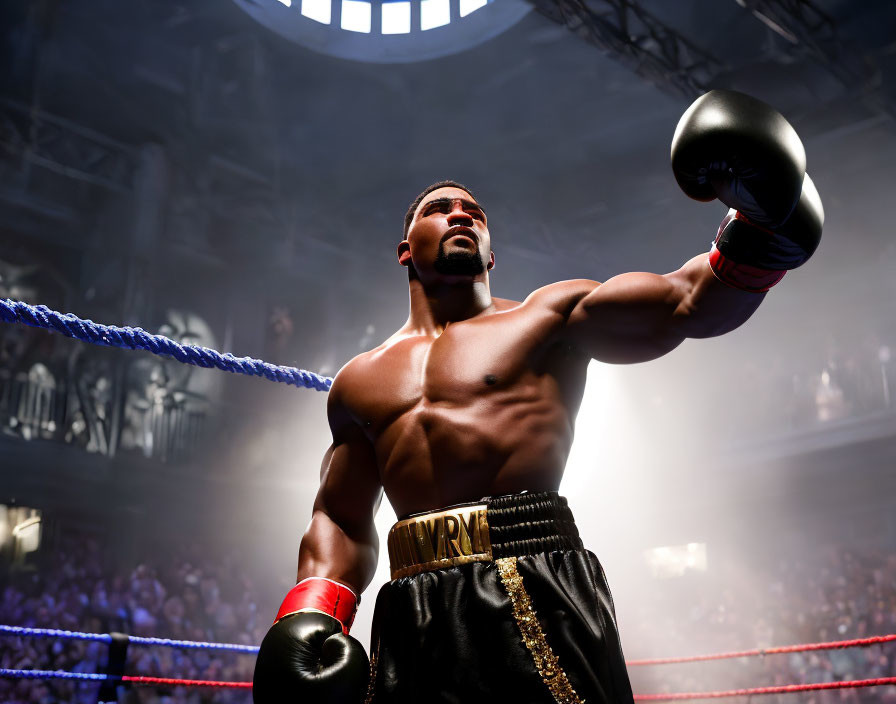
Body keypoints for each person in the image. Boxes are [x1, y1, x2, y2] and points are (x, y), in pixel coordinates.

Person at [251, 89, 824, 704]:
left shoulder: (547, 318)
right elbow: (339, 514)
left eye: (474, 211)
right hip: (411, 604)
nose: (461, 214)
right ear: (404, 249)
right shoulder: (359, 381)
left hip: (533, 577)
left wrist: (766, 229)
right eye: (439, 209)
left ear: (492, 252)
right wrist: (311, 613)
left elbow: (687, 303)